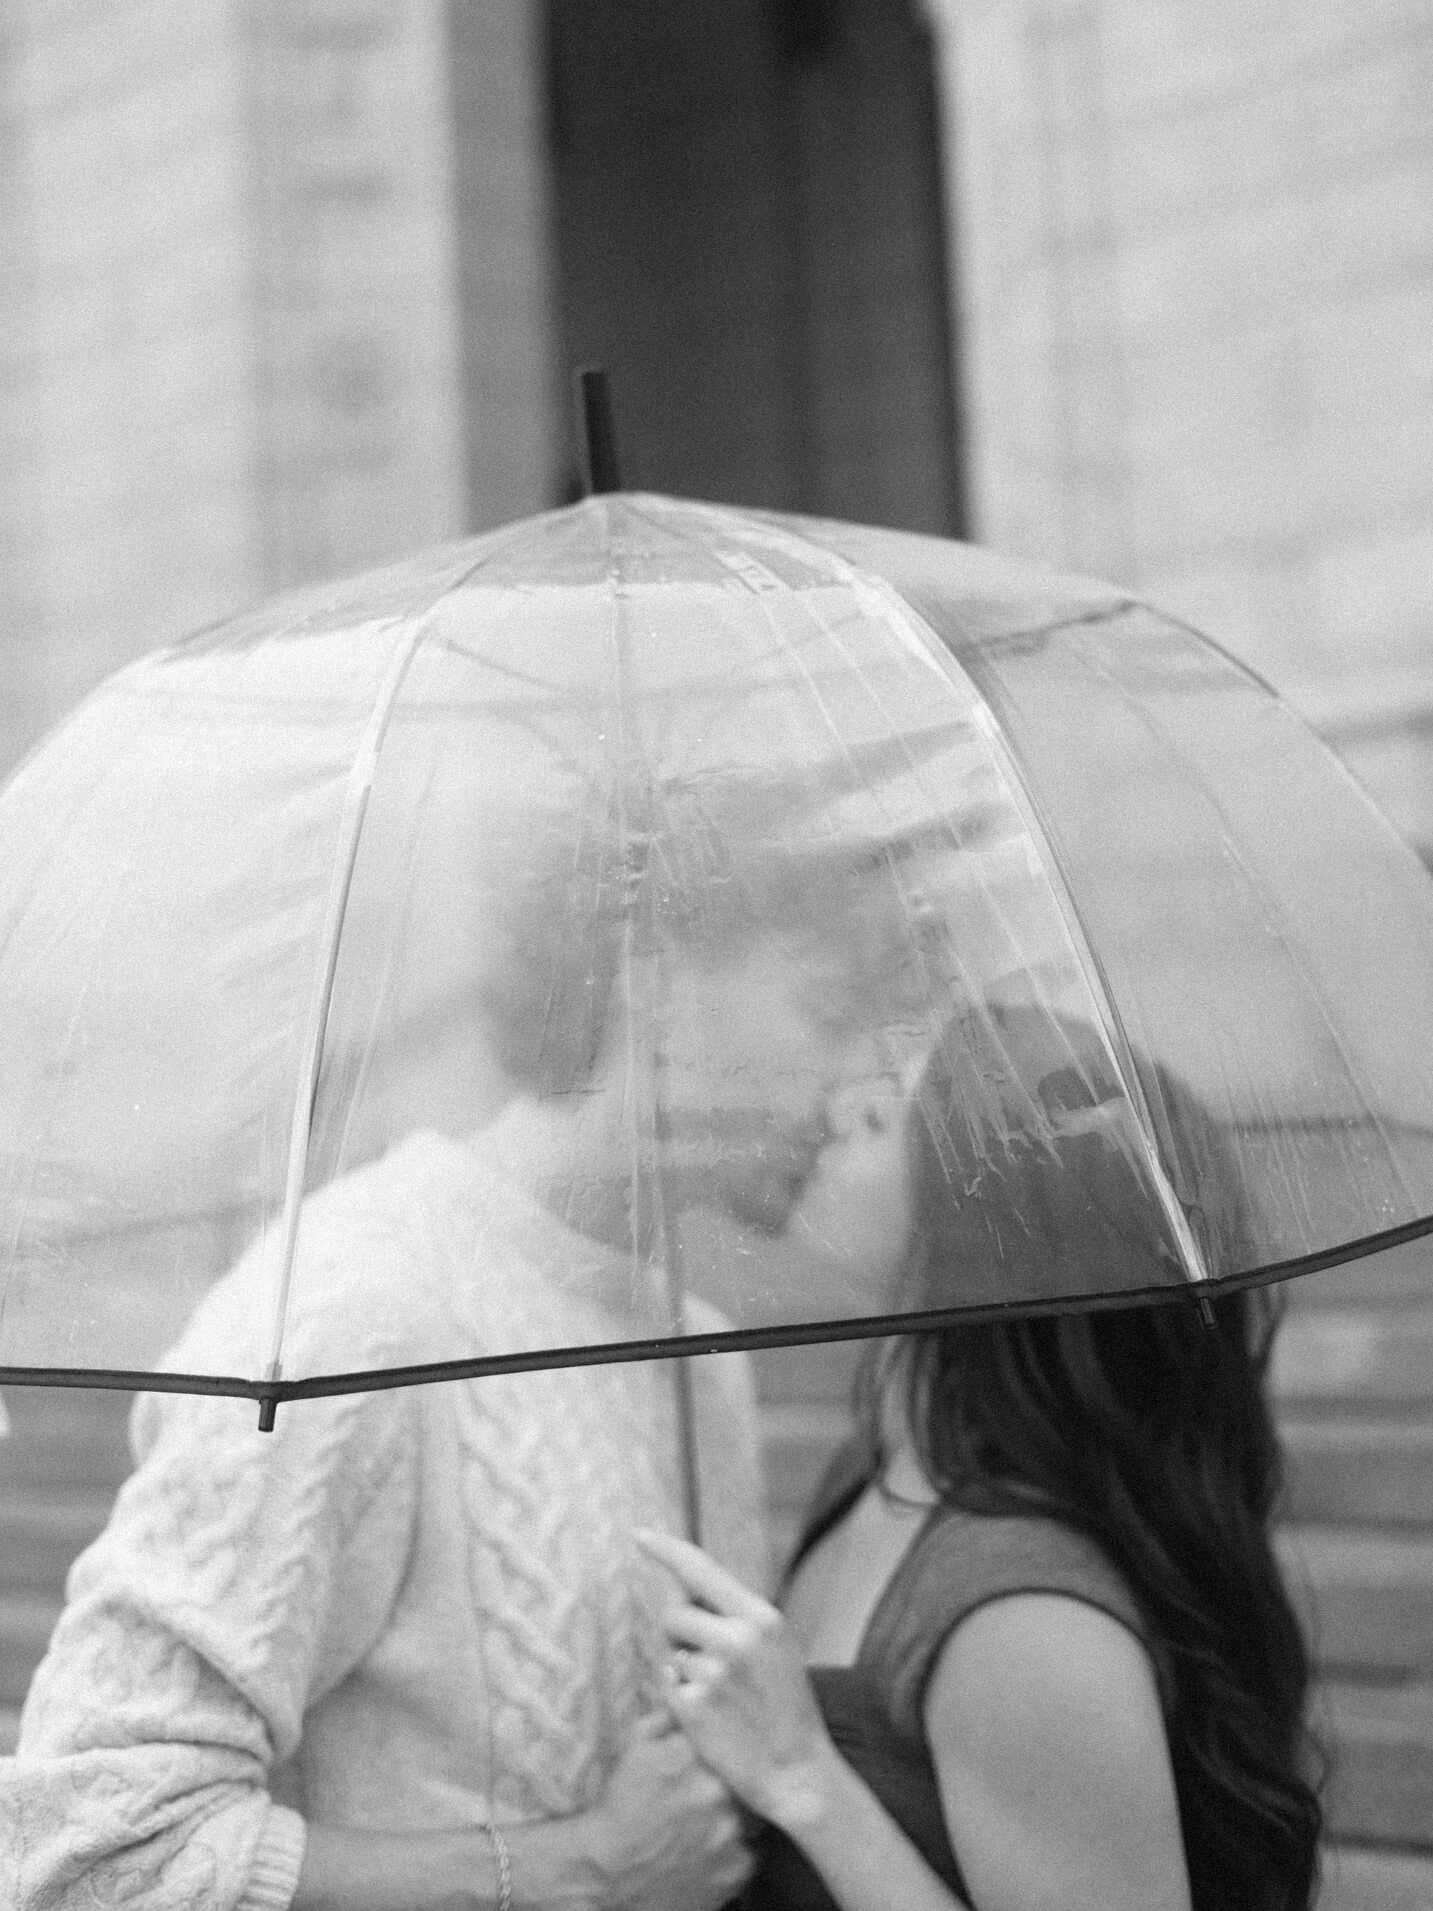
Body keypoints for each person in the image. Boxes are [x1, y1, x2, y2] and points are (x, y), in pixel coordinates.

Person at [1, 784, 933, 1911]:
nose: (857, 1095)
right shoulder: (348, 1319)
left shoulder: (701, 1357)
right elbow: (90, 1852)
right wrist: (575, 1866)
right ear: (654, 975)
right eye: (830, 1014)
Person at [639, 1003, 1324, 1911]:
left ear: (1002, 1230)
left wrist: (804, 1780)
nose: (841, 1113)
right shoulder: (873, 1474)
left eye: (894, 1111)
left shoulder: (1026, 1608)